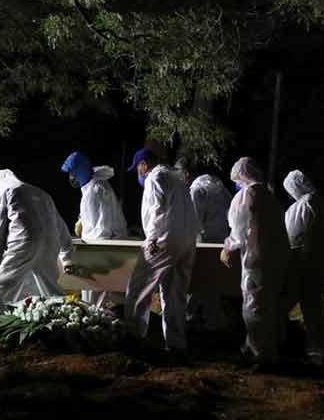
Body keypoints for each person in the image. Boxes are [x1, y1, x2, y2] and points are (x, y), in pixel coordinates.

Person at [124, 148, 199, 351]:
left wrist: (152, 238)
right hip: (187, 241)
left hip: (164, 239)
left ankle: (133, 339)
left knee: (138, 288)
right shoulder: (176, 178)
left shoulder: (154, 177)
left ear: (144, 165)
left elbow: (156, 209)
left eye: (138, 168)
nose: (138, 173)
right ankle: (176, 345)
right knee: (174, 295)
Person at [220, 157, 289, 366]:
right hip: (276, 257)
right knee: (268, 304)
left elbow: (240, 229)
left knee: (253, 306)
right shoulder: (269, 195)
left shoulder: (246, 195)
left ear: (241, 176)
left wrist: (227, 247)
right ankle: (256, 347)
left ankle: (261, 355)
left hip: (256, 258)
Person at [0, 169, 74, 319]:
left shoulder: (4, 190)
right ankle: (67, 318)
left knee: (2, 285)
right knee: (49, 285)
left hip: (24, 240)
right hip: (51, 242)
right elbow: (61, 226)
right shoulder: (43, 194)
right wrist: (67, 256)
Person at [61, 151, 128, 305]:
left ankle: (96, 325)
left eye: (72, 172)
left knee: (93, 296)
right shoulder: (94, 185)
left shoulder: (95, 190)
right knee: (101, 295)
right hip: (105, 246)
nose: (71, 177)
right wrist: (82, 220)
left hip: (101, 249)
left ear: (80, 171)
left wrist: (90, 252)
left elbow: (101, 228)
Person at [282, 169, 324, 365]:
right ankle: (318, 349)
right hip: (320, 263)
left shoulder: (301, 206)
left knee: (293, 304)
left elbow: (291, 236)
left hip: (303, 264)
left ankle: (310, 351)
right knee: (315, 307)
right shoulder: (321, 203)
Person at [175, 157, 230, 330]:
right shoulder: (219, 186)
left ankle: (188, 320)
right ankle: (212, 324)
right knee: (211, 286)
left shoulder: (196, 191)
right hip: (221, 243)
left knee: (196, 283)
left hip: (203, 243)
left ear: (186, 174)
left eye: (178, 174)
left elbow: (194, 223)